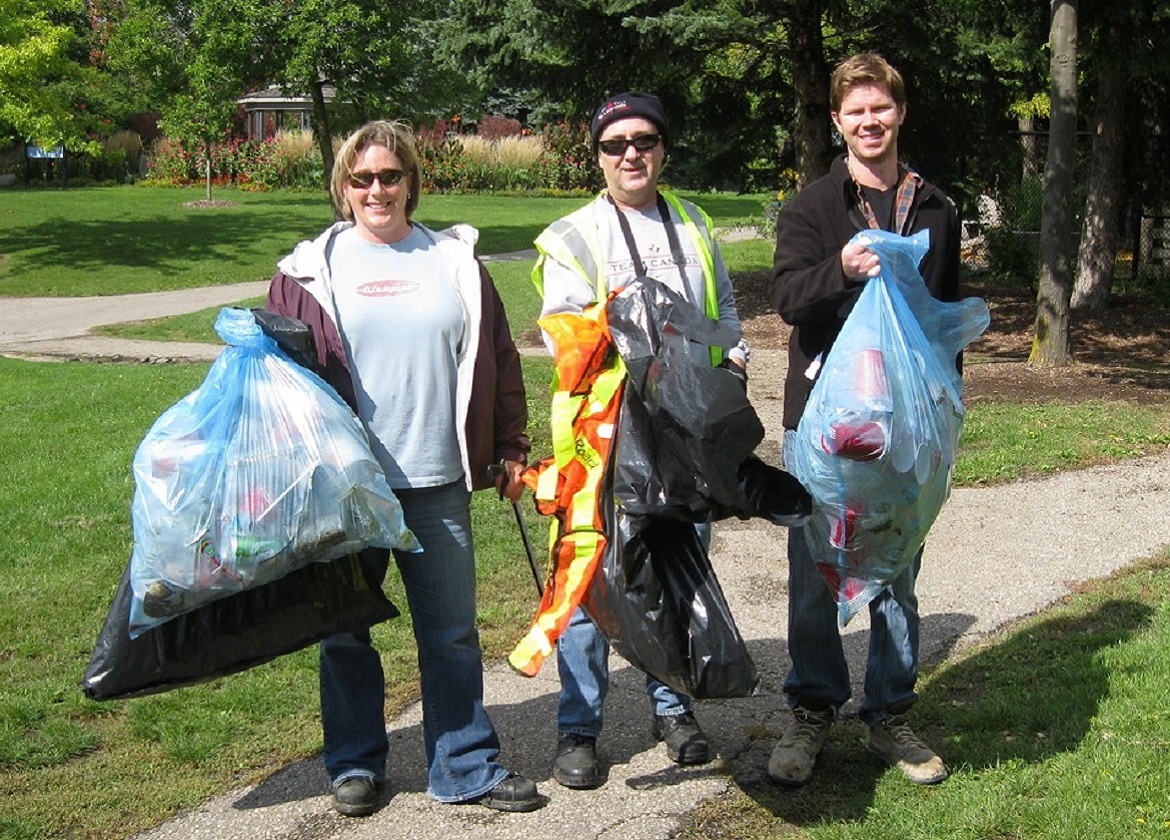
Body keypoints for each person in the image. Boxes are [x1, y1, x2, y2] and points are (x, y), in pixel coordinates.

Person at [265, 120, 543, 816]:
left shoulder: (453, 261)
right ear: (344, 187)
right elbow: (277, 383)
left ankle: (464, 765)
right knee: (344, 633)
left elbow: (500, 360)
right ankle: (355, 765)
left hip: (437, 481)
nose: (377, 190)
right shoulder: (306, 271)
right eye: (362, 179)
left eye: (390, 176)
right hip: (347, 490)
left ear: (411, 180)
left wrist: (510, 445)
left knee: (450, 632)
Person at [533, 91, 750, 790]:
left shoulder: (693, 223)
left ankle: (673, 707)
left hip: (685, 435)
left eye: (645, 139)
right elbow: (563, 335)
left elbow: (726, 309)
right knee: (594, 581)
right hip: (608, 439)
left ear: (663, 148)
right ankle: (579, 728)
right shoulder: (574, 235)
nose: (632, 153)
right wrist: (632, 325)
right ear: (597, 155)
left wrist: (733, 357)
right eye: (615, 143)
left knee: (677, 570)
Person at [768, 52, 960, 787]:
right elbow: (787, 299)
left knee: (897, 568)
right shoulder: (813, 207)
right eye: (856, 111)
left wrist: (945, 418)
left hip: (907, 428)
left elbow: (942, 324)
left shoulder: (936, 208)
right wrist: (841, 272)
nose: (870, 121)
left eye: (881, 108)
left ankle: (891, 717)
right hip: (823, 427)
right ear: (837, 121)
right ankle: (811, 711)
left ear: (899, 113)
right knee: (816, 571)